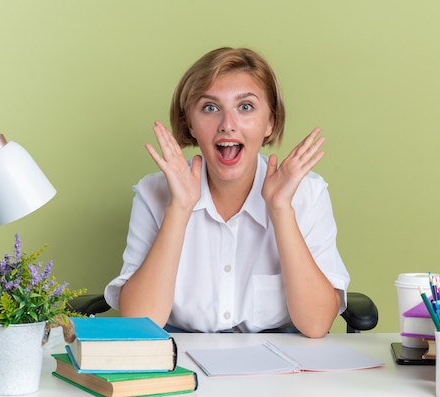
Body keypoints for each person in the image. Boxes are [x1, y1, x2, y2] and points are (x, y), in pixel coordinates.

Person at [104, 47, 349, 338]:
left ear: (270, 122)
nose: (227, 125)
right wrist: (179, 209)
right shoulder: (154, 192)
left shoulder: (307, 193)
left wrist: (281, 209)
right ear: (190, 124)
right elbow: (139, 323)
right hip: (184, 355)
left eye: (245, 107)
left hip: (278, 363)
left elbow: (316, 324)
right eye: (210, 107)